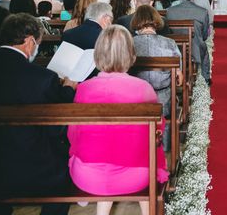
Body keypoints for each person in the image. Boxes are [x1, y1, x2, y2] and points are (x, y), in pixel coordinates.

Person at [0, 13, 76, 215]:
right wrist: (69, 89)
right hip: (34, 172)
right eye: (38, 42)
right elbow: (58, 121)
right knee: (63, 177)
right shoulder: (43, 78)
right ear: (29, 42)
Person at [68, 25, 168, 215]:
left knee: (102, 151)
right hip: (135, 175)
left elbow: (74, 134)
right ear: (130, 54)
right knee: (145, 152)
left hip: (88, 176)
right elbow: (157, 132)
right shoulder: (143, 88)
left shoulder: (84, 88)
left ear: (98, 53)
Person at [131, 5, 182, 150]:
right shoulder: (169, 43)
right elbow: (179, 76)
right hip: (163, 100)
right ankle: (164, 148)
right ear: (156, 21)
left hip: (136, 98)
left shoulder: (129, 43)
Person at [166, 0, 211, 84]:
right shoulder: (202, 12)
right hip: (195, 47)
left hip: (175, 47)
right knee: (203, 47)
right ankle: (206, 77)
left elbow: (168, 32)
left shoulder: (170, 11)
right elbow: (205, 35)